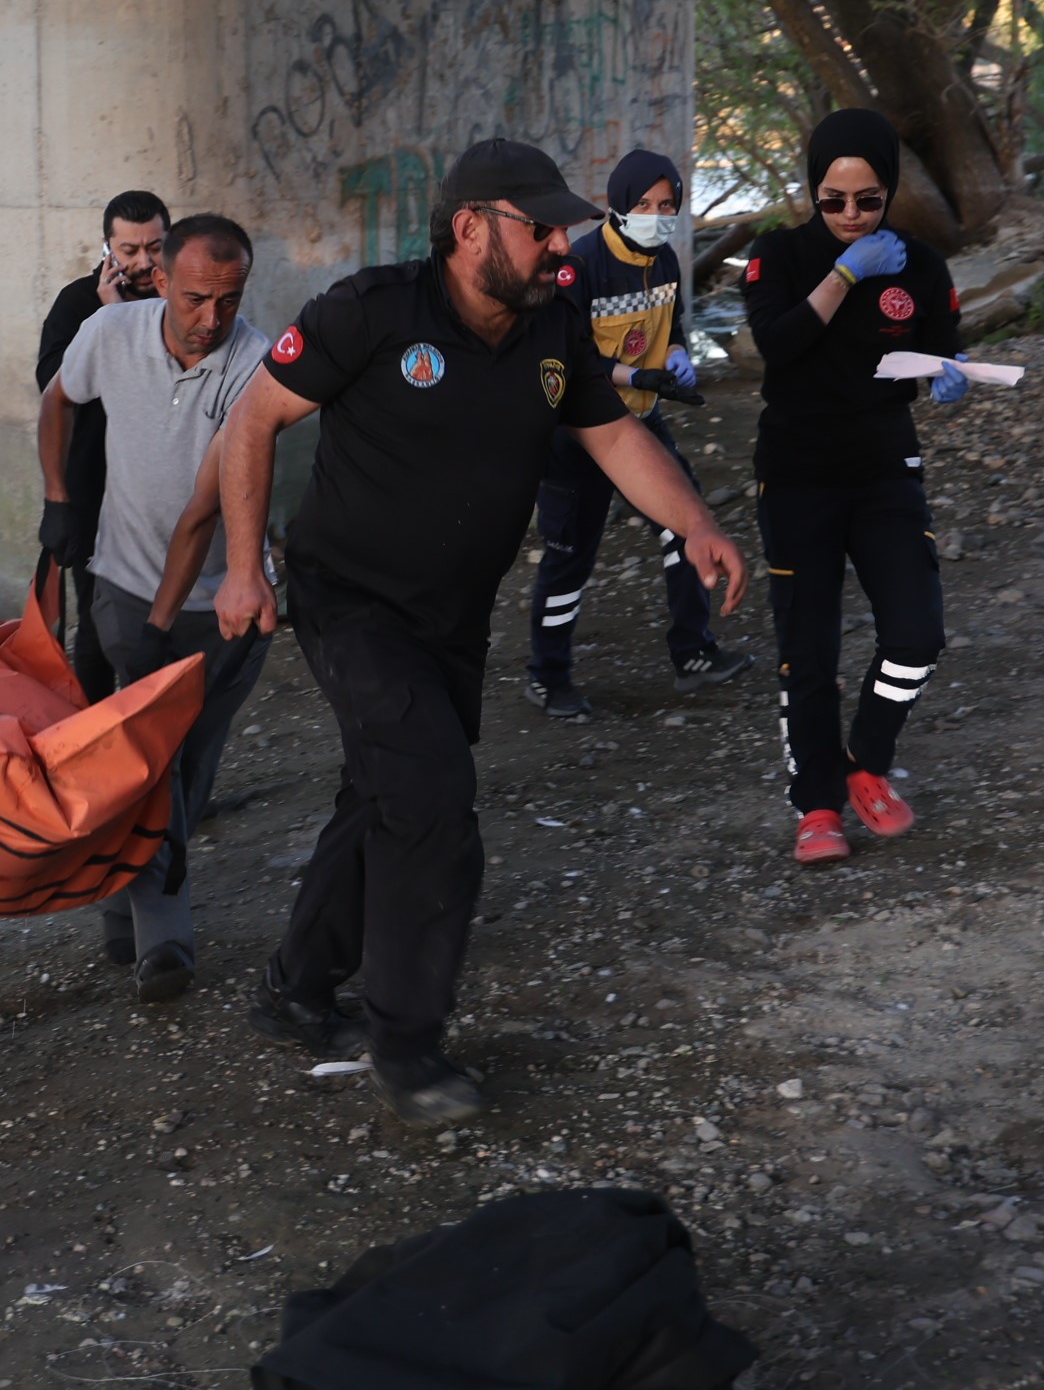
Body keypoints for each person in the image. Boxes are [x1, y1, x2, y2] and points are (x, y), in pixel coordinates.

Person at [208, 140, 748, 1126]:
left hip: (451, 618)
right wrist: (244, 567)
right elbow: (251, 424)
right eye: (538, 227)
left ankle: (294, 990)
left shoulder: (554, 332)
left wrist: (696, 522)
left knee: (384, 791)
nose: (559, 244)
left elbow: (618, 435)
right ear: (469, 229)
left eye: (562, 227)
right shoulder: (370, 311)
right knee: (430, 795)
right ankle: (406, 1044)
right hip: (351, 599)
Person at [37, 211, 271, 1000]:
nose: (213, 320)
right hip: (123, 586)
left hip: (223, 605)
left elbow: (205, 510)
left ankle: (118, 900)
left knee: (191, 768)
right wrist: (60, 497)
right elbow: (56, 401)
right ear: (161, 280)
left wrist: (170, 624)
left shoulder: (257, 363)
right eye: (197, 298)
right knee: (151, 767)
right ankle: (163, 943)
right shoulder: (110, 334)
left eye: (230, 301)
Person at [737, 109, 970, 868]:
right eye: (832, 199)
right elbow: (775, 346)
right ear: (812, 192)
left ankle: (868, 760)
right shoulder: (777, 254)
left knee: (917, 630)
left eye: (866, 201)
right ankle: (817, 804)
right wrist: (844, 273)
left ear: (889, 193)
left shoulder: (921, 266)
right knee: (807, 648)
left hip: (882, 466)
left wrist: (950, 374)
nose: (848, 215)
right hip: (798, 470)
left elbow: (943, 346)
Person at [523, 148, 757, 719]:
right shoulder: (579, 267)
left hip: (642, 420)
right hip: (578, 432)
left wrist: (676, 359)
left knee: (687, 525)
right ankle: (548, 675)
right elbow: (563, 361)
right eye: (645, 204)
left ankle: (693, 653)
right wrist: (635, 373)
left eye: (668, 204)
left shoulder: (667, 262)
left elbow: (672, 324)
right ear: (618, 204)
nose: (657, 213)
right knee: (568, 559)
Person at [36, 190, 170, 698]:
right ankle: (96, 730)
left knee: (165, 618)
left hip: (164, 491)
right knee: (95, 624)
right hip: (94, 490)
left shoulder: (182, 302)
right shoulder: (77, 302)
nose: (142, 263)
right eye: (129, 250)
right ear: (107, 247)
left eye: (154, 248)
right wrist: (107, 321)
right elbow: (54, 386)